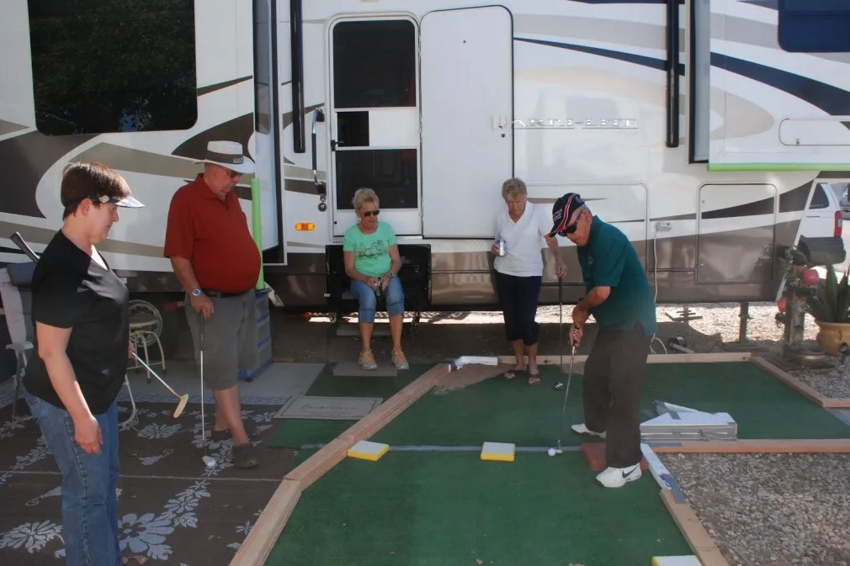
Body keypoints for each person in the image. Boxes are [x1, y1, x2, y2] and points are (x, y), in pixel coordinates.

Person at [22, 162, 149, 566]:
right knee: (86, 494)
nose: (116, 218)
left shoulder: (88, 249)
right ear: (85, 206)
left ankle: (106, 557)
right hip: (68, 401)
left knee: (102, 485)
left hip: (98, 391)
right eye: (112, 209)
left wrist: (118, 340)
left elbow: (97, 307)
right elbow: (51, 352)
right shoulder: (62, 270)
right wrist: (81, 417)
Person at [548, 192, 657, 489]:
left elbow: (602, 292)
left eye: (570, 228)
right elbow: (592, 289)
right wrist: (580, 320)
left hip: (633, 324)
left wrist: (580, 311)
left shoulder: (607, 238)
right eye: (563, 233)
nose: (569, 236)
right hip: (613, 323)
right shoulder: (585, 245)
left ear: (585, 216)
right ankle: (597, 425)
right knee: (595, 374)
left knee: (624, 392)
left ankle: (627, 465)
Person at [163, 140, 261, 469]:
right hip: (214, 301)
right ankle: (241, 440)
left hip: (242, 296)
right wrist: (195, 293)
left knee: (232, 365)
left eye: (238, 175)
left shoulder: (229, 198)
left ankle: (221, 425)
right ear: (213, 169)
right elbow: (178, 255)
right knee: (221, 371)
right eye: (233, 174)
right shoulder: (186, 199)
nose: (237, 180)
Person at [491, 178, 566, 385]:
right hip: (504, 271)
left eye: (518, 202)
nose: (514, 206)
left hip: (529, 273)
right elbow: (497, 240)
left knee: (526, 319)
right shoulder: (500, 214)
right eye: (510, 202)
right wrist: (495, 248)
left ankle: (533, 364)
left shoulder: (537, 212)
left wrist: (559, 260)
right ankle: (519, 363)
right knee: (511, 320)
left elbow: (551, 239)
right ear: (505, 200)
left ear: (525, 198)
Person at [343, 188, 409, 371]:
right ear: (358, 213)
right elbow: (349, 269)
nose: (372, 217)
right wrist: (365, 278)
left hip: (387, 274)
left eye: (375, 212)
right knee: (368, 299)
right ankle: (366, 351)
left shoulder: (386, 229)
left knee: (395, 297)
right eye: (367, 213)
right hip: (361, 278)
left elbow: (396, 260)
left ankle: (397, 350)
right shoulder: (351, 235)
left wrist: (389, 275)